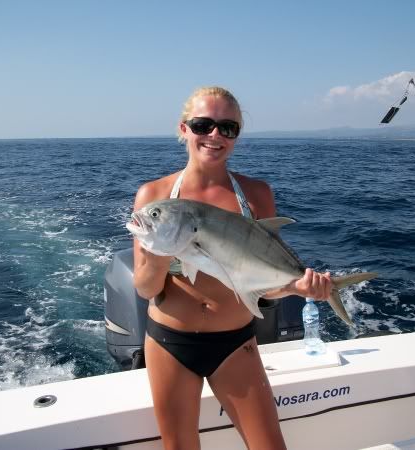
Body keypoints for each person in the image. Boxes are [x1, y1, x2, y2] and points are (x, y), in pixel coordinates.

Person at [132, 86, 332, 450]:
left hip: (235, 341)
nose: (214, 135)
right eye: (202, 124)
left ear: (237, 135)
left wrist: (297, 288)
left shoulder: (255, 194)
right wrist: (163, 251)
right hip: (170, 342)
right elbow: (146, 288)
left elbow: (262, 285)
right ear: (183, 129)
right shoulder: (154, 197)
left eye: (228, 128)